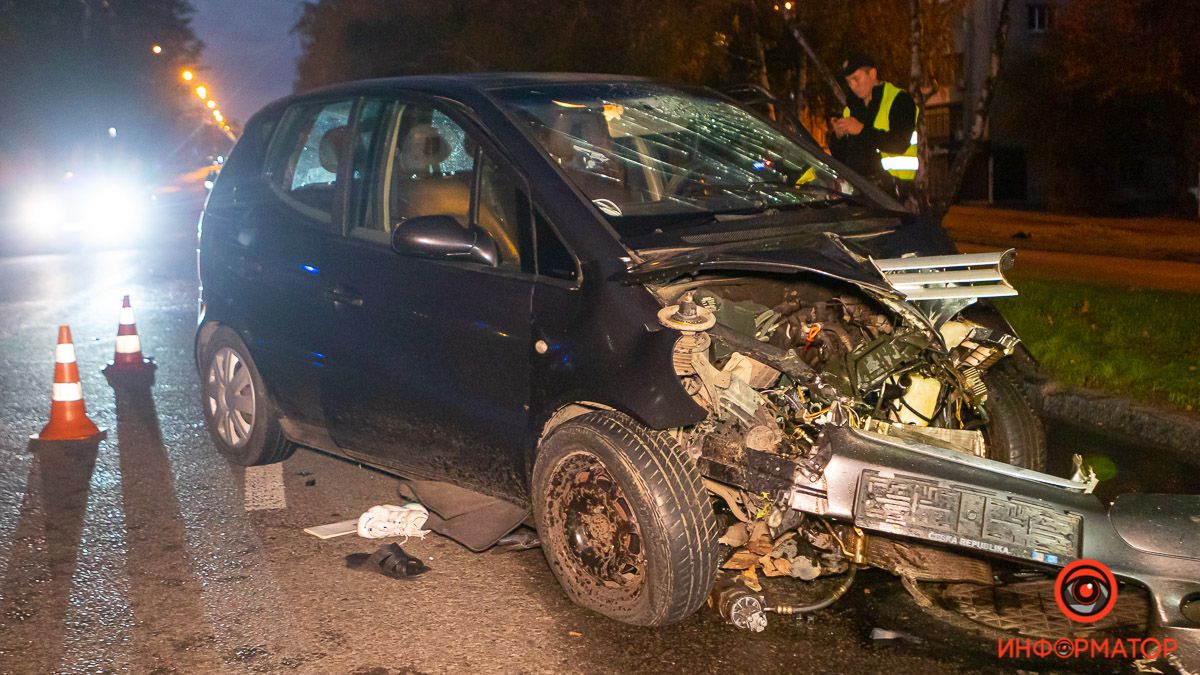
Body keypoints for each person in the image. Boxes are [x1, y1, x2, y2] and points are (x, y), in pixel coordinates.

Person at [828, 53, 919, 192]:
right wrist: (837, 137)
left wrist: (861, 130)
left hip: (895, 192)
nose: (852, 86)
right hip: (859, 191)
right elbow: (843, 156)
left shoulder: (899, 100)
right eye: (848, 82)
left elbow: (900, 143)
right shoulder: (851, 109)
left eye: (856, 79)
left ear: (872, 74)